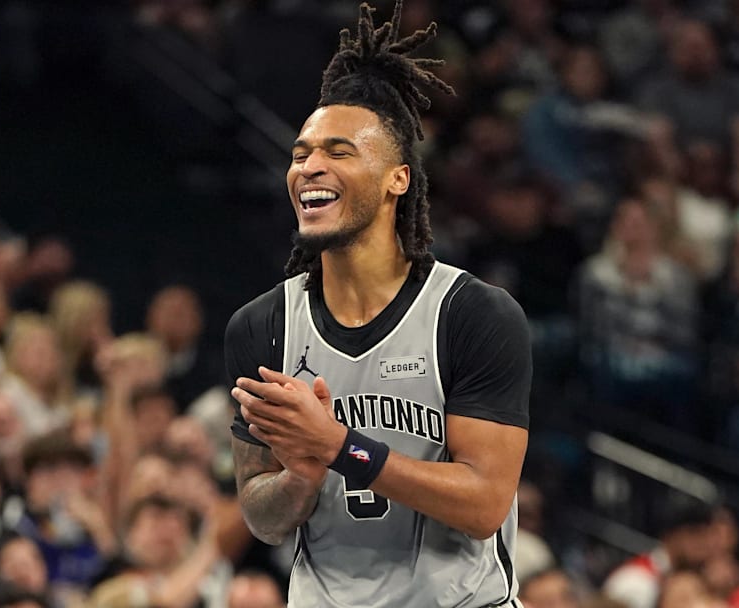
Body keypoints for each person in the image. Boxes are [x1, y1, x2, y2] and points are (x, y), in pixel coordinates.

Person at [225, 2, 532, 607]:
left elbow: (483, 505)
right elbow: (261, 515)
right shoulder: (262, 327)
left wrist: (339, 447)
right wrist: (299, 479)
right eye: (300, 153)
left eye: (339, 151)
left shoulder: (471, 314)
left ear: (398, 179)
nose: (309, 166)